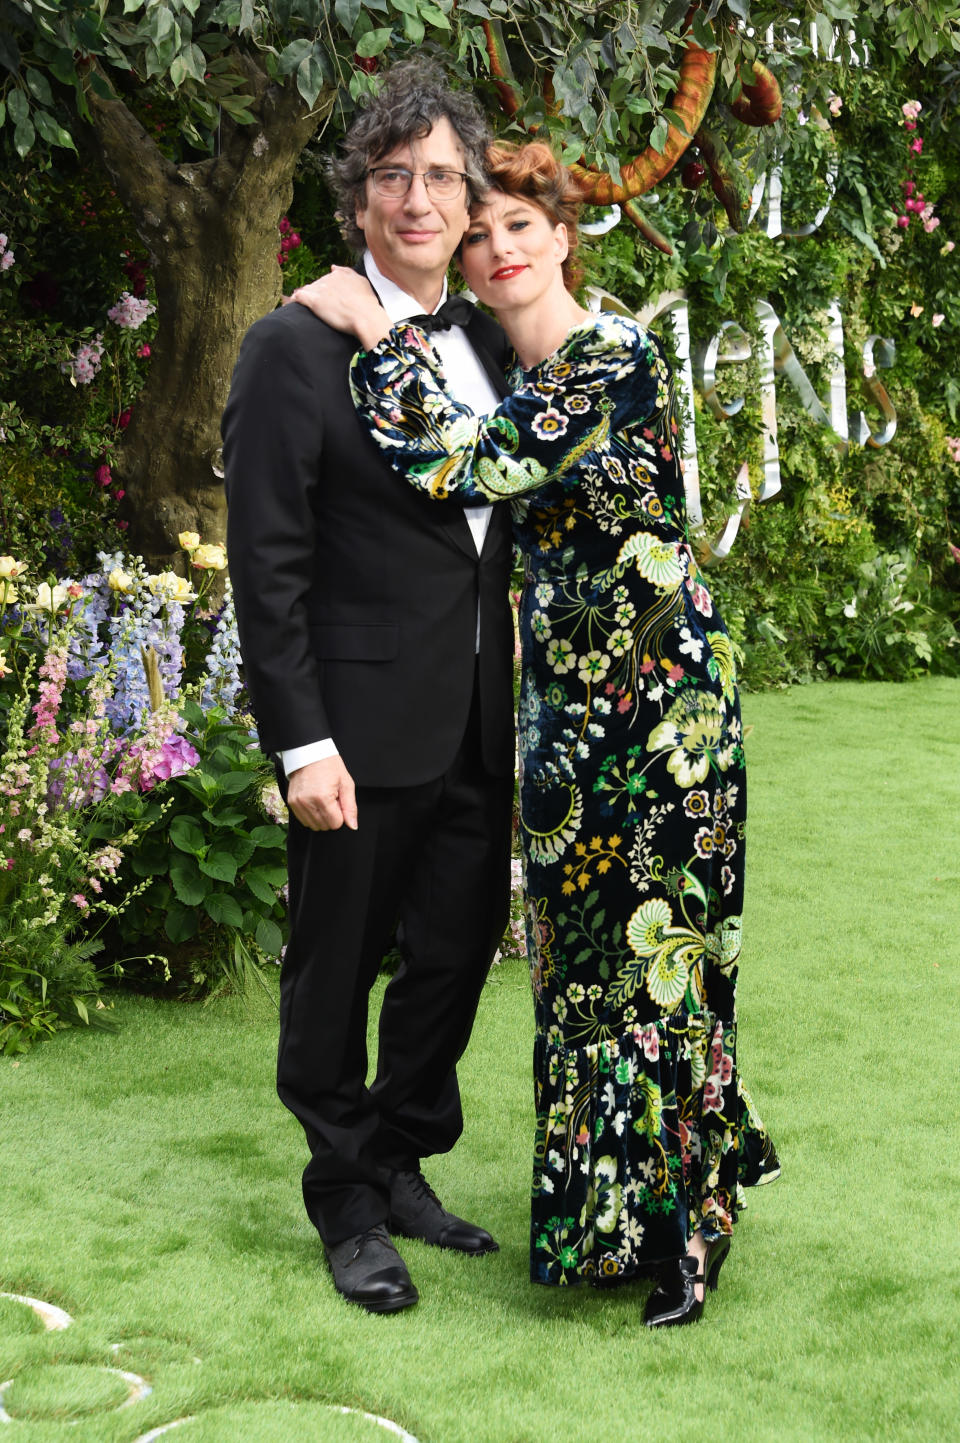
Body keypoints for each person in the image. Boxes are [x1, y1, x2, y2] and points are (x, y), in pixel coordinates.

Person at [292, 139, 780, 1326]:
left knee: (664, 968)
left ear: (565, 238)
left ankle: (688, 1234)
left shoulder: (610, 355)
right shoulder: (497, 369)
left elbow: (463, 466)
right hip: (563, 720)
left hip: (663, 709)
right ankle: (606, 1227)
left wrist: (372, 330)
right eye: (481, 232)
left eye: (522, 225)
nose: (499, 246)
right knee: (580, 980)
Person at [221, 61, 517, 1316]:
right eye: (393, 174)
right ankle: (344, 1201)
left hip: (475, 721)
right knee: (335, 971)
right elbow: (267, 565)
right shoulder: (291, 347)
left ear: (469, 198)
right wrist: (302, 746)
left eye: (441, 176)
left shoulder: (493, 341)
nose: (417, 199)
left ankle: (398, 1160)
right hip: (354, 727)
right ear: (358, 198)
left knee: (453, 956)